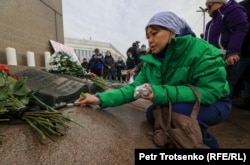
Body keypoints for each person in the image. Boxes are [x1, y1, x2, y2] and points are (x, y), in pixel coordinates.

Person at [75, 11, 231, 149]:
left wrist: (160, 92)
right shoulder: (152, 61)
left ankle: (208, 144)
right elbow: (133, 88)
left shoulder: (202, 51)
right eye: (148, 36)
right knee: (153, 113)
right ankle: (180, 134)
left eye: (154, 33)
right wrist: (98, 99)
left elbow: (210, 93)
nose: (150, 40)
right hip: (180, 100)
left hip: (215, 102)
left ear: (172, 32)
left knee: (177, 113)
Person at [204, 0, 249, 96]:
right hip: (216, 58)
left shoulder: (232, 10)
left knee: (225, 85)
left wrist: (232, 52)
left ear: (218, 3)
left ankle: (221, 105)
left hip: (229, 57)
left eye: (209, 6)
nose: (208, 10)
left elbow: (240, 29)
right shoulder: (211, 23)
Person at [233, 0, 250, 109]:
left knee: (233, 77)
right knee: (247, 78)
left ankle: (222, 101)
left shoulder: (241, 7)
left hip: (243, 51)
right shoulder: (242, 6)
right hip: (244, 50)